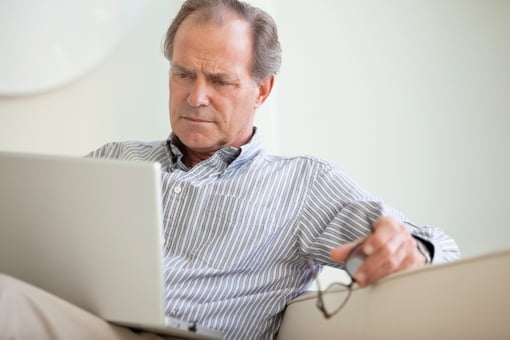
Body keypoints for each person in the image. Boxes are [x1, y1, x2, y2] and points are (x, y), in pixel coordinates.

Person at [0, 0, 460, 339]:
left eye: (220, 81)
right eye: (183, 75)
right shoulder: (115, 160)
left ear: (262, 91)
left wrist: (410, 249)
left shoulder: (301, 185)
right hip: (77, 322)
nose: (196, 97)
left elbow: (440, 246)